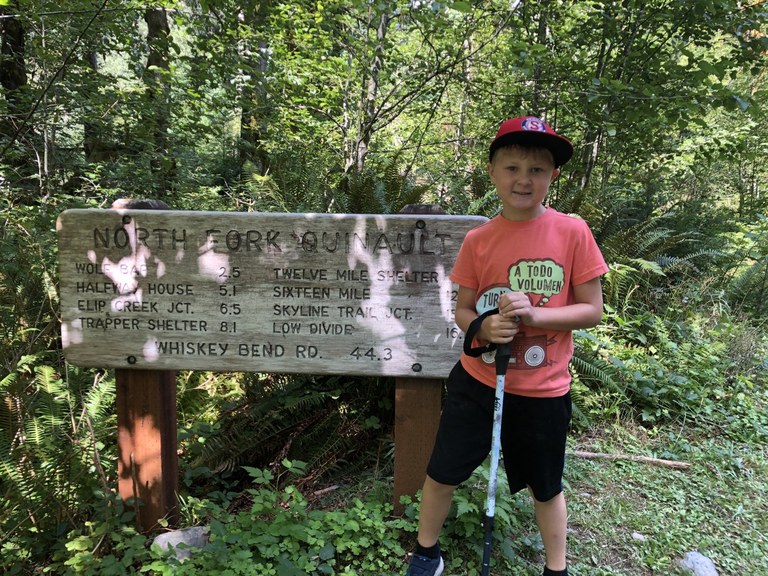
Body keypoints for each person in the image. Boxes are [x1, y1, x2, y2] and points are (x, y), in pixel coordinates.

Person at [404, 116, 608, 576]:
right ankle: (426, 553)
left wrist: (536, 317)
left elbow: (592, 310)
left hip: (543, 389)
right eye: (512, 167)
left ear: (553, 176)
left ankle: (556, 568)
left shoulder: (573, 232)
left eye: (537, 169)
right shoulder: (479, 240)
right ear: (492, 173)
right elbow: (464, 310)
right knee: (441, 473)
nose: (523, 179)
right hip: (477, 383)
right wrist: (484, 327)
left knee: (546, 487)